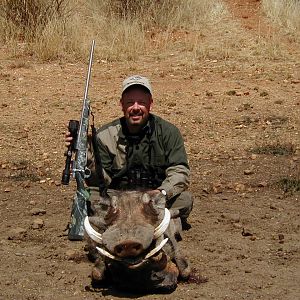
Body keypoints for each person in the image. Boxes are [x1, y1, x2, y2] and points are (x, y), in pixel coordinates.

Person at [65, 75, 193, 228]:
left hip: (154, 199)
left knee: (185, 199)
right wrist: (86, 157)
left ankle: (118, 221)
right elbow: (100, 181)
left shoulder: (168, 132)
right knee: (88, 196)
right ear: (122, 104)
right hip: (117, 200)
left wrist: (162, 193)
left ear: (151, 104)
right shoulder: (105, 135)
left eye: (142, 102)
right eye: (130, 102)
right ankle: (156, 221)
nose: (136, 107)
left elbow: (180, 171)